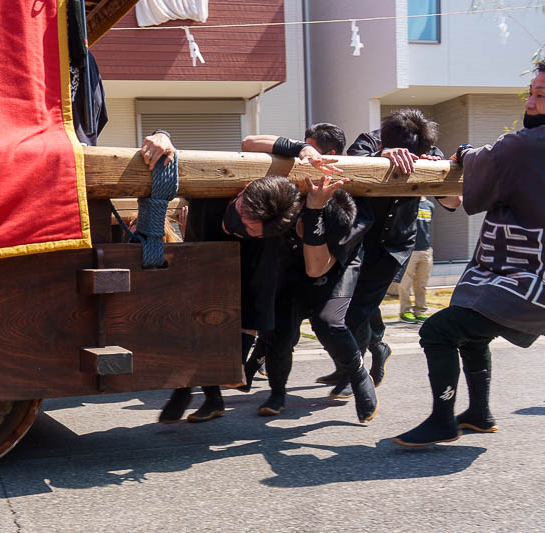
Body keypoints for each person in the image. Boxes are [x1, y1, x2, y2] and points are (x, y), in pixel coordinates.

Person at [393, 51, 545, 447]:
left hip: (534, 279)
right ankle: (479, 414)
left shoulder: (529, 145)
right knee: (471, 330)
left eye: (541, 96)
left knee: (438, 331)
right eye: (530, 92)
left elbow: (477, 163)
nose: (530, 103)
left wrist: (461, 153)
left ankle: (442, 421)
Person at [141, 131, 303, 423]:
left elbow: (257, 300)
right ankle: (199, 395)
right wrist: (162, 136)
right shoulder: (214, 186)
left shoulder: (268, 240)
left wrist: (236, 360)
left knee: (216, 329)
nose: (236, 227)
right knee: (191, 324)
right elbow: (248, 142)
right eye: (241, 216)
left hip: (240, 277)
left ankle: (195, 392)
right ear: (244, 190)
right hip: (200, 256)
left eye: (249, 230)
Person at [322, 110, 462, 399]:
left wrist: (432, 173)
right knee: (350, 304)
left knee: (358, 309)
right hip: (359, 241)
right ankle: (376, 347)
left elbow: (453, 201)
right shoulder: (366, 143)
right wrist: (381, 157)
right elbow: (349, 172)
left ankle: (352, 373)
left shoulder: (428, 151)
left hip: (395, 244)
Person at [254, 175, 378, 423]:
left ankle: (359, 375)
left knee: (328, 321)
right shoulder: (289, 202)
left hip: (334, 266)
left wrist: (313, 216)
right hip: (292, 262)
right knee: (281, 330)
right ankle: (277, 393)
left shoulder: (351, 221)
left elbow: (316, 268)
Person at [398, 196, 436, 323]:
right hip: (409, 250)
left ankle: (420, 311)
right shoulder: (406, 203)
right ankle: (405, 311)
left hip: (426, 250)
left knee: (422, 284)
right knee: (405, 283)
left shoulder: (430, 206)